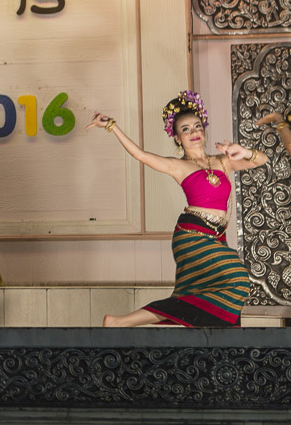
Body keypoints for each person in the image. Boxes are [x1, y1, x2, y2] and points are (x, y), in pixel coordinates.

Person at [87, 90, 266, 327]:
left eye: (197, 126)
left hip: (215, 237)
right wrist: (111, 126)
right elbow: (140, 154)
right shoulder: (178, 166)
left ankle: (118, 322)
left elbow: (261, 160)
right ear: (178, 138)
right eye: (186, 129)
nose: (193, 132)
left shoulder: (223, 161)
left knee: (193, 298)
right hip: (191, 236)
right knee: (238, 279)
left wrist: (244, 152)